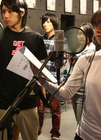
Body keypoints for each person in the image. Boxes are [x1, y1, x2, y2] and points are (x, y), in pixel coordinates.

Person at [33, 5, 101, 140]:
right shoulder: (86, 60)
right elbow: (65, 94)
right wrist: (41, 79)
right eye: (95, 25)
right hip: (83, 135)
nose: (97, 29)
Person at [0, 0, 47, 140]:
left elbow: (39, 71)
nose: (5, 15)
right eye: (3, 11)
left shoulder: (35, 37)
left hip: (27, 102)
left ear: (22, 12)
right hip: (1, 102)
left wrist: (42, 95)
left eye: (10, 11)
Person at [37, 12, 67, 140]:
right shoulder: (40, 39)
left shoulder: (61, 40)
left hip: (55, 78)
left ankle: (55, 133)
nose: (45, 24)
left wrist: (62, 81)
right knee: (40, 107)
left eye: (48, 22)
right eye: (44, 22)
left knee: (55, 109)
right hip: (42, 78)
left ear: (54, 23)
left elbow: (65, 62)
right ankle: (37, 129)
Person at [69, 23, 96, 125]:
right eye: (79, 34)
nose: (80, 36)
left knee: (82, 124)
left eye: (82, 34)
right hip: (75, 90)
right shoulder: (78, 49)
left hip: (83, 92)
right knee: (78, 121)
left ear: (89, 36)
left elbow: (84, 68)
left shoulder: (91, 50)